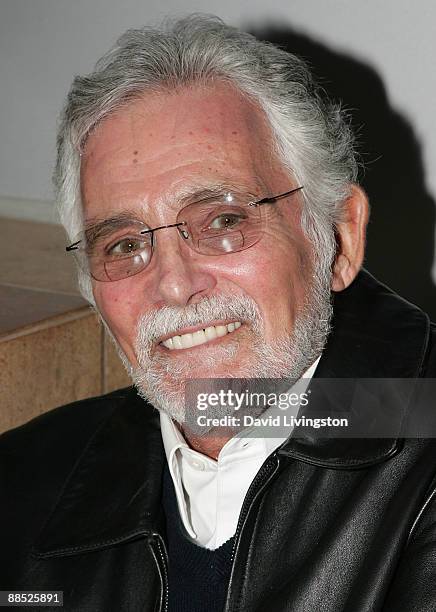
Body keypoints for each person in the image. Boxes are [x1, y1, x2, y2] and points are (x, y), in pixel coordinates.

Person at [1, 15, 435, 612]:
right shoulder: (20, 485)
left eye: (224, 221)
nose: (173, 286)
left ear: (338, 239)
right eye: (126, 245)